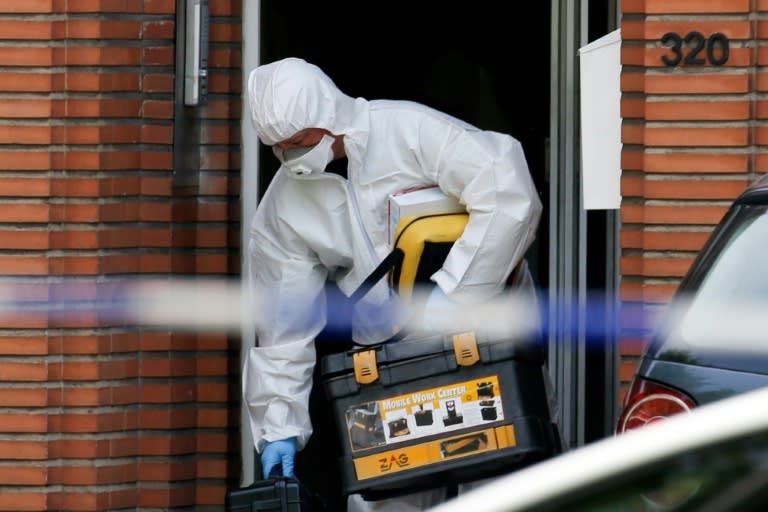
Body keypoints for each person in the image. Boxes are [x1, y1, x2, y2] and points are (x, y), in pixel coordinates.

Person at [242, 57, 543, 511]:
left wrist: (454, 295)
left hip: (485, 337)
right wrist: (278, 424)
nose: (291, 157)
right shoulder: (284, 205)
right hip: (386, 355)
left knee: (501, 483)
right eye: (278, 148)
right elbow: (284, 319)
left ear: (329, 117)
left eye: (300, 142)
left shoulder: (408, 132)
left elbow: (506, 191)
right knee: (389, 494)